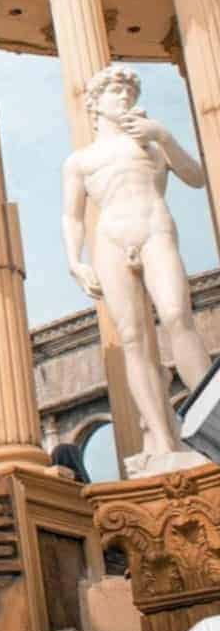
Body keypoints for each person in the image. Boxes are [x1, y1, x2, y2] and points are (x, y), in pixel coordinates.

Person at [62, 64, 212, 469]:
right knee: (133, 338)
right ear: (95, 104)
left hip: (154, 228)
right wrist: (75, 261)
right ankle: (162, 440)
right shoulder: (81, 160)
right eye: (116, 93)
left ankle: (213, 425)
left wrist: (163, 135)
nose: (125, 98)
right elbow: (72, 216)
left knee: (178, 317)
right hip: (110, 239)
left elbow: (196, 177)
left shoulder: (152, 144)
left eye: (130, 93)